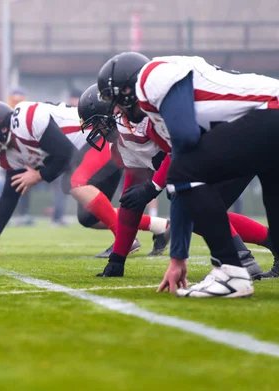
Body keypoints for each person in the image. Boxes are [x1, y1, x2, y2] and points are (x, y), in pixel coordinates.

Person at [97, 52, 279, 297]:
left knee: (184, 172)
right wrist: (178, 258)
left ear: (128, 90)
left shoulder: (152, 76)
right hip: (265, 119)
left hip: (269, 110)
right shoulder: (158, 115)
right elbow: (182, 183)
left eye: (115, 102)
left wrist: (154, 186)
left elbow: (184, 147)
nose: (117, 111)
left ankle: (231, 270)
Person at [79, 83, 264, 278]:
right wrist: (117, 258)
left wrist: (152, 187)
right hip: (227, 150)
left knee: (190, 200)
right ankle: (261, 250)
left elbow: (178, 151)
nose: (96, 131)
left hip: (235, 144)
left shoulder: (146, 120)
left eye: (97, 123)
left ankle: (241, 261)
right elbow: (131, 202)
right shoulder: (125, 140)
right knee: (195, 207)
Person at [0, 99, 168, 257]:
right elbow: (10, 195)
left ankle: (125, 241)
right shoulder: (8, 152)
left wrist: (39, 175)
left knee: (73, 183)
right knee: (89, 218)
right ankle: (162, 227)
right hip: (87, 153)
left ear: (2, 127)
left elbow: (65, 155)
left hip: (100, 137)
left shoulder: (26, 120)